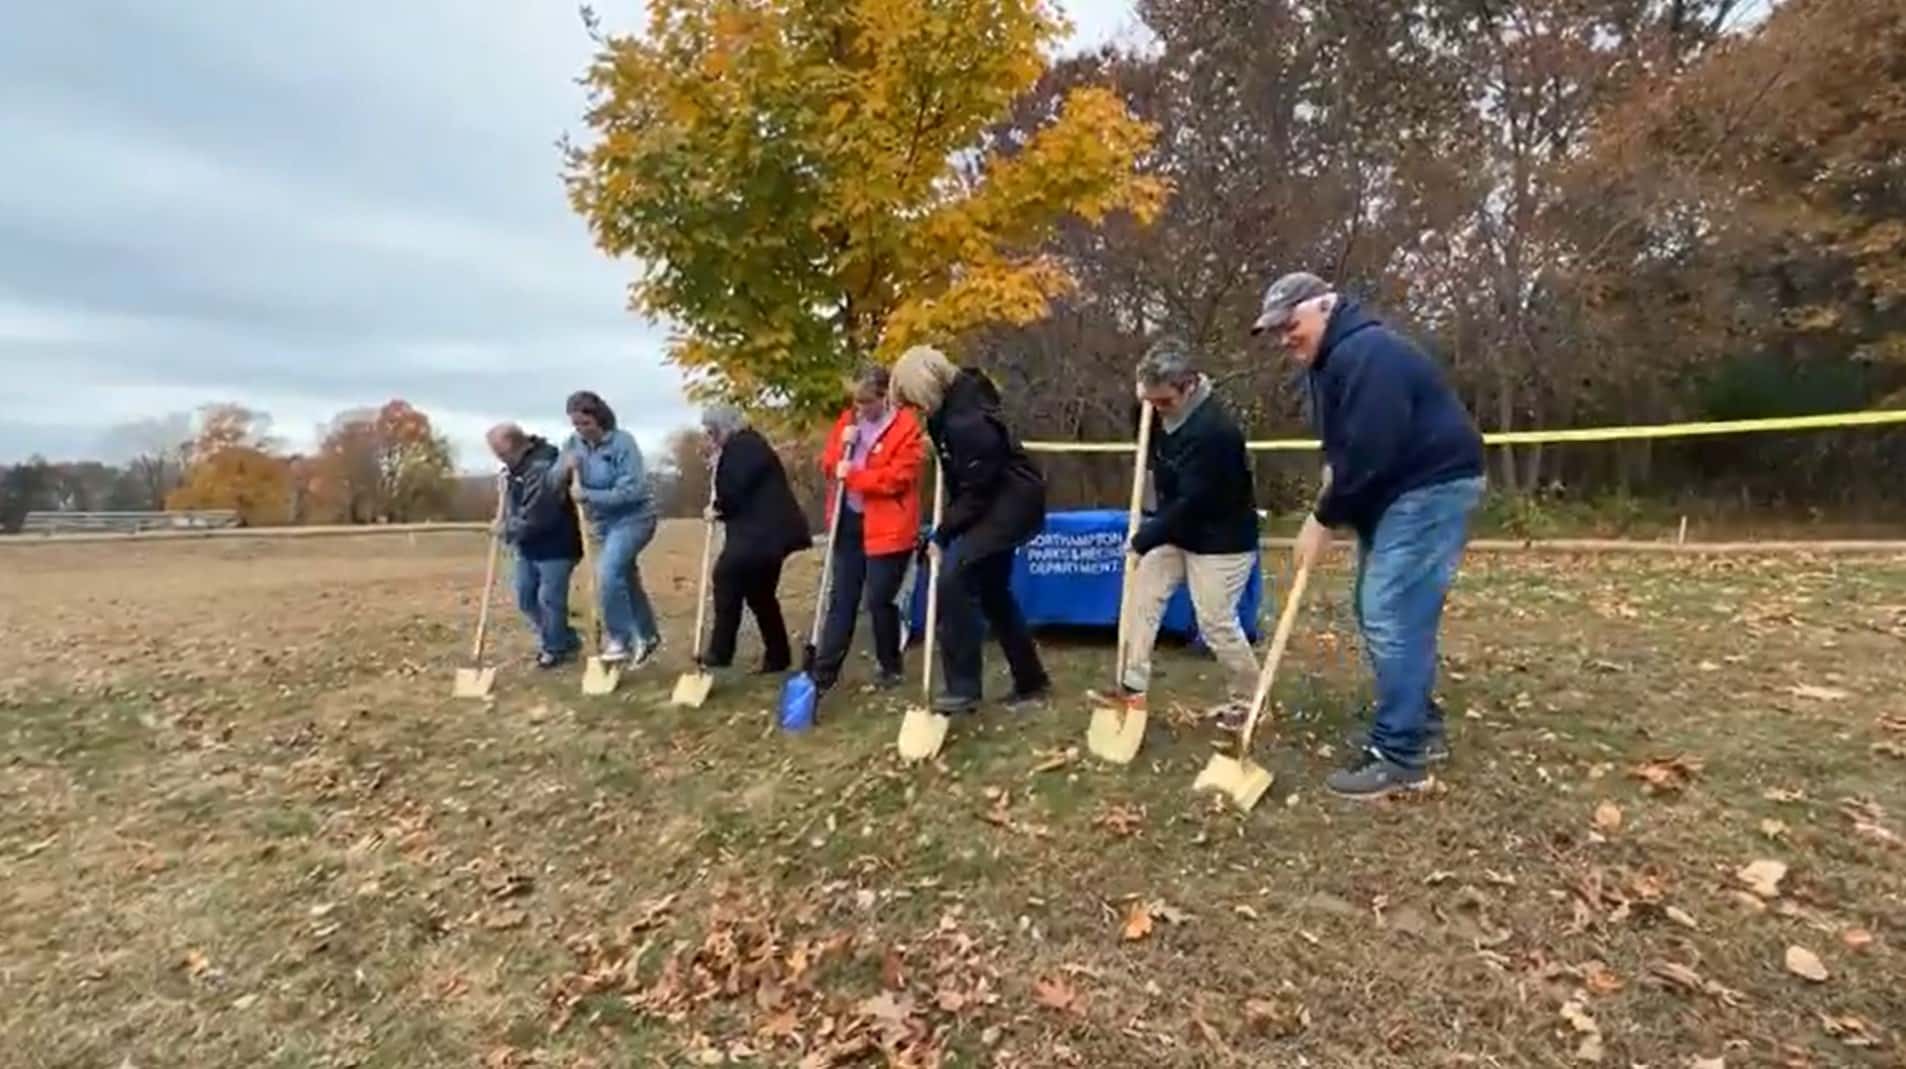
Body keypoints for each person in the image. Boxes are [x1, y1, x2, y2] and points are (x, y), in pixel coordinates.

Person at [1252, 270, 1486, 798]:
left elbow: (1372, 448)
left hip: (1428, 486)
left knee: (1389, 609)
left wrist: (1322, 519)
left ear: (1325, 306)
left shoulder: (1367, 352)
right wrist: (1330, 494)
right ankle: (1416, 724)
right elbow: (1344, 450)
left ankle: (1401, 754)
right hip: (1396, 491)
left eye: (1291, 324)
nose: (1284, 336)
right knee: (1377, 606)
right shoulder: (1331, 361)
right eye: (1276, 330)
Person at [889, 345, 1051, 713]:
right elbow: (962, 483)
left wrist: (943, 534)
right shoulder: (946, 414)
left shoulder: (969, 421)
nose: (913, 411)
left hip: (1012, 503)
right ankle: (1032, 681)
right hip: (991, 499)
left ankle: (963, 686)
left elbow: (978, 490)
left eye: (912, 400)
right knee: (993, 591)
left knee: (954, 574)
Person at [1111, 338, 1261, 727]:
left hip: (1221, 539)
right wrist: (1141, 407)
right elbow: (1149, 449)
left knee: (1215, 621)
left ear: (1189, 386)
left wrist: (1147, 536)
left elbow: (1194, 502)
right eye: (1150, 401)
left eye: (1164, 402)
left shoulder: (1216, 432)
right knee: (1142, 595)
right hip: (1179, 529)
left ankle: (1249, 700)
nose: (1156, 410)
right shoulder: (1152, 408)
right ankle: (1133, 685)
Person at [811, 365, 926, 691]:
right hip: (848, 520)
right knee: (842, 598)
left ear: (885, 396)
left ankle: (890, 665)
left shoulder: (906, 429)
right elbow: (830, 462)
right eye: (856, 402)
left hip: (889, 525)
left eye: (867, 403)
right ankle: (823, 674)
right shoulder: (848, 421)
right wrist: (838, 458)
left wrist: (856, 476)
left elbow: (898, 479)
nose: (860, 409)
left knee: (878, 599)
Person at [701, 405, 811, 673]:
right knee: (759, 594)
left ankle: (720, 651)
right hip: (769, 533)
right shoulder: (747, 445)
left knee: (726, 576)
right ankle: (777, 656)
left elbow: (734, 489)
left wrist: (717, 508)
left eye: (711, 430)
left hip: (762, 533)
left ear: (722, 427)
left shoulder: (743, 447)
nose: (709, 436)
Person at [559, 390, 661, 666]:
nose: (582, 430)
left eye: (586, 424)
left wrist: (589, 495)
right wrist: (564, 470)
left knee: (608, 572)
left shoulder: (622, 443)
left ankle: (620, 640)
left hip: (635, 518)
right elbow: (554, 480)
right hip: (602, 524)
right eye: (576, 425)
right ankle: (647, 636)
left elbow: (632, 490)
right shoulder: (573, 444)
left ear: (600, 418)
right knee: (624, 578)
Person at [488, 422, 583, 668]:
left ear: (511, 446)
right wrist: (505, 519)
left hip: (557, 545)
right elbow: (516, 508)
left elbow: (538, 516)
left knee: (549, 599)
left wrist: (507, 530)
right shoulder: (514, 470)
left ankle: (554, 648)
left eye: (498, 452)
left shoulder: (540, 468)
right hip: (529, 546)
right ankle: (565, 640)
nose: (497, 457)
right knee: (525, 597)